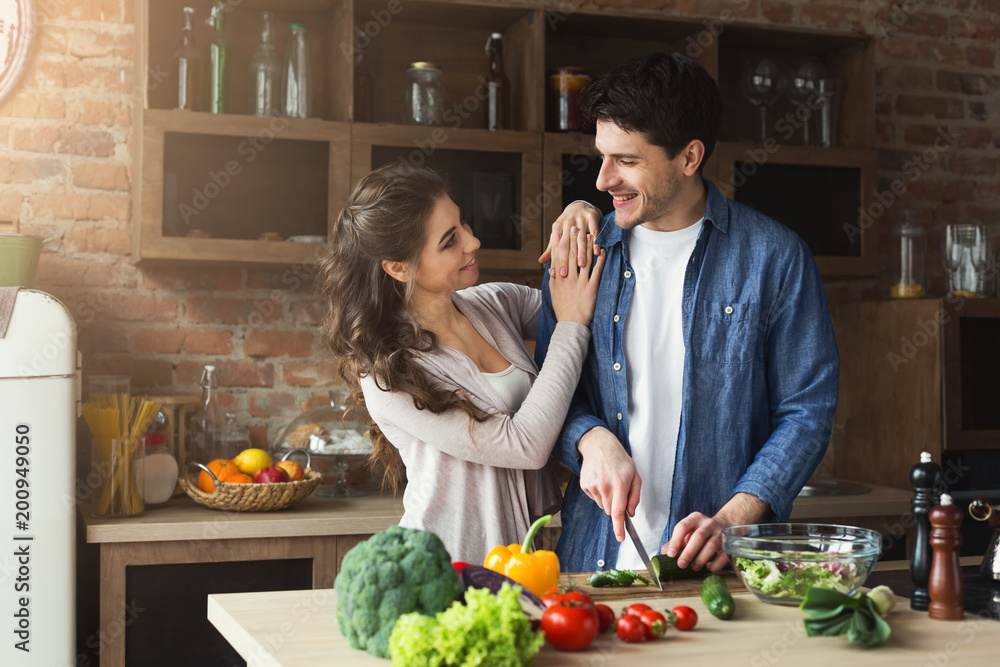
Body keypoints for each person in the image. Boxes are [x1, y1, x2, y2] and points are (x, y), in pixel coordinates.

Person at [534, 52, 840, 574]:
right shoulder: (581, 254)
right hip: (594, 562)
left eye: (626, 161)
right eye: (601, 156)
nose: (603, 180)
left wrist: (734, 519)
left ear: (690, 157)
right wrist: (590, 437)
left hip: (724, 566)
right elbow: (548, 390)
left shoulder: (775, 257)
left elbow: (806, 411)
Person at [319, 162, 606, 564]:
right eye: (450, 240)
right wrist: (572, 324)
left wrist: (579, 210)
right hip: (448, 567)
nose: (473, 242)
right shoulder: (390, 375)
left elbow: (598, 305)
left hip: (523, 561)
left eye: (464, 224)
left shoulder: (495, 303)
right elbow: (525, 445)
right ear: (398, 267)